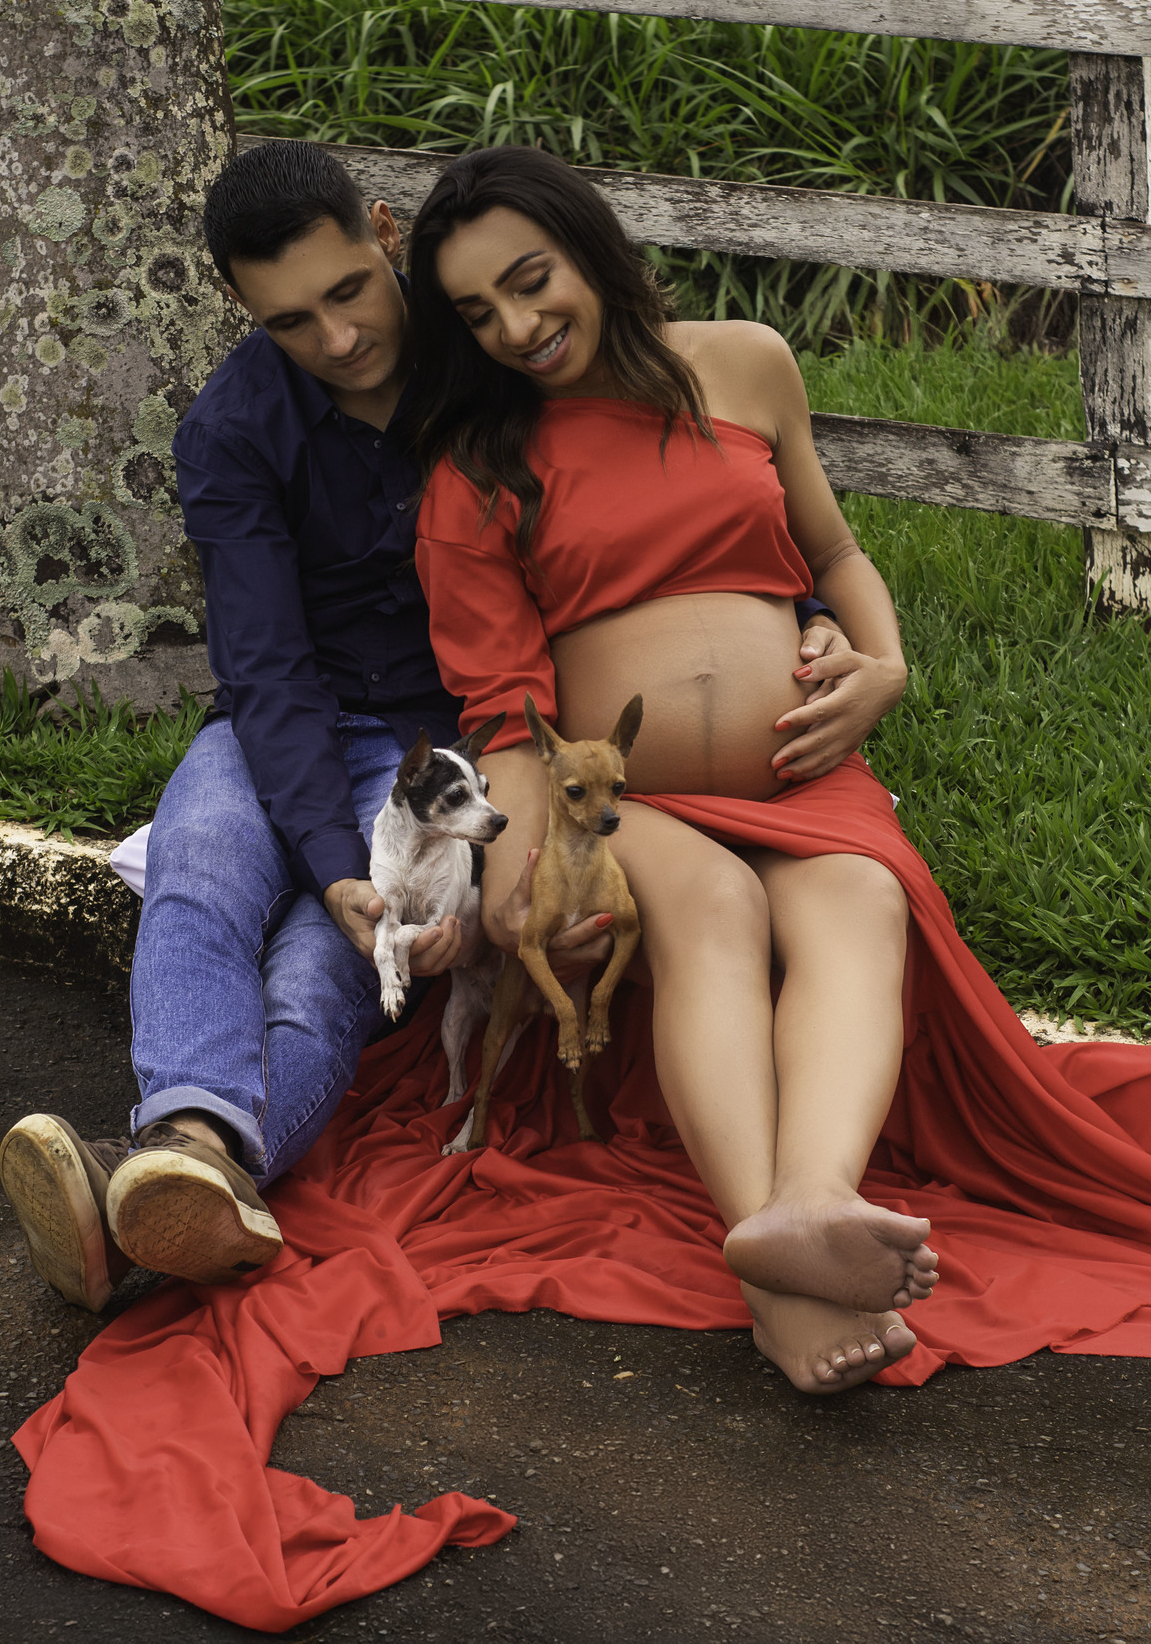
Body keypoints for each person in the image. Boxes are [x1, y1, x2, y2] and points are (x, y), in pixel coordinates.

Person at [0, 140, 842, 1315]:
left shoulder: (490, 347)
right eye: (293, 321)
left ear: (384, 234)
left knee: (326, 958)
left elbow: (668, 502)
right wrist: (335, 860)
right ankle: (190, 1152)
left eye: (348, 292)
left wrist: (803, 617)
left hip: (446, 741)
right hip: (291, 721)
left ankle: (175, 1181)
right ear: (245, 312)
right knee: (204, 870)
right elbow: (268, 667)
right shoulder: (234, 429)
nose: (338, 339)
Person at [402, 145, 1130, 1397]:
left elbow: (833, 553)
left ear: (590, 248)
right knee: (719, 909)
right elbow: (505, 708)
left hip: (799, 776)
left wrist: (885, 664)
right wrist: (525, 871)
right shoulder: (476, 463)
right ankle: (770, 1270)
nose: (518, 326)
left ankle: (810, 1201)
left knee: (864, 901)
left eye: (533, 281)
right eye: (479, 312)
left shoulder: (743, 363)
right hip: (627, 803)